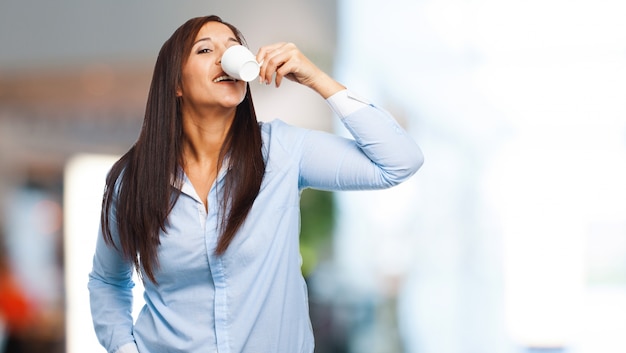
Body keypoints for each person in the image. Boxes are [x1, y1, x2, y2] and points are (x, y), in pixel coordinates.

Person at [88, 15, 423, 353]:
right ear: (175, 84)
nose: (224, 57)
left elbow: (399, 161)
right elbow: (106, 280)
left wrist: (316, 79)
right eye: (205, 50)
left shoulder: (281, 151)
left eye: (233, 48)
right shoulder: (133, 180)